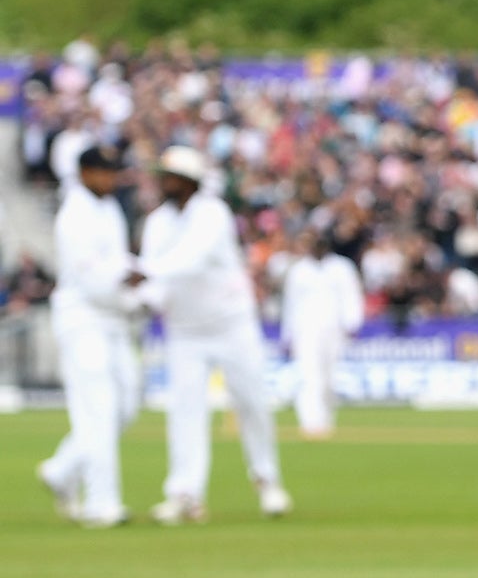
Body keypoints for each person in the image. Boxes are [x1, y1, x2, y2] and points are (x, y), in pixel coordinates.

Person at [133, 146, 292, 523]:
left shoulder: (213, 213)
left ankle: (267, 480)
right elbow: (158, 284)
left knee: (251, 401)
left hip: (230, 323)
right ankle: (185, 494)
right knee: (185, 411)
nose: (161, 182)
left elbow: (192, 258)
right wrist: (140, 295)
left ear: (188, 181)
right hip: (185, 330)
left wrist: (145, 272)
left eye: (168, 176)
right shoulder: (157, 222)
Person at [39, 144, 142, 527]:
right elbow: (93, 279)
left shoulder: (109, 208)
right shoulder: (74, 215)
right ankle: (101, 503)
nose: (111, 178)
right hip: (83, 319)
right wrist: (133, 291)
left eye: (114, 171)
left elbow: (117, 263)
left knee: (126, 404)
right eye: (104, 171)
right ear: (84, 173)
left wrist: (135, 279)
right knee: (96, 408)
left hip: (113, 318)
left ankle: (63, 470)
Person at [280, 229, 364, 439]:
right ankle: (310, 423)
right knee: (309, 376)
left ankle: (325, 421)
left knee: (329, 378)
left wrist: (352, 322)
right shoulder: (299, 270)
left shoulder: (342, 267)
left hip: (333, 328)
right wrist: (287, 334)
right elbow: (290, 304)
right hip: (305, 329)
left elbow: (351, 296)